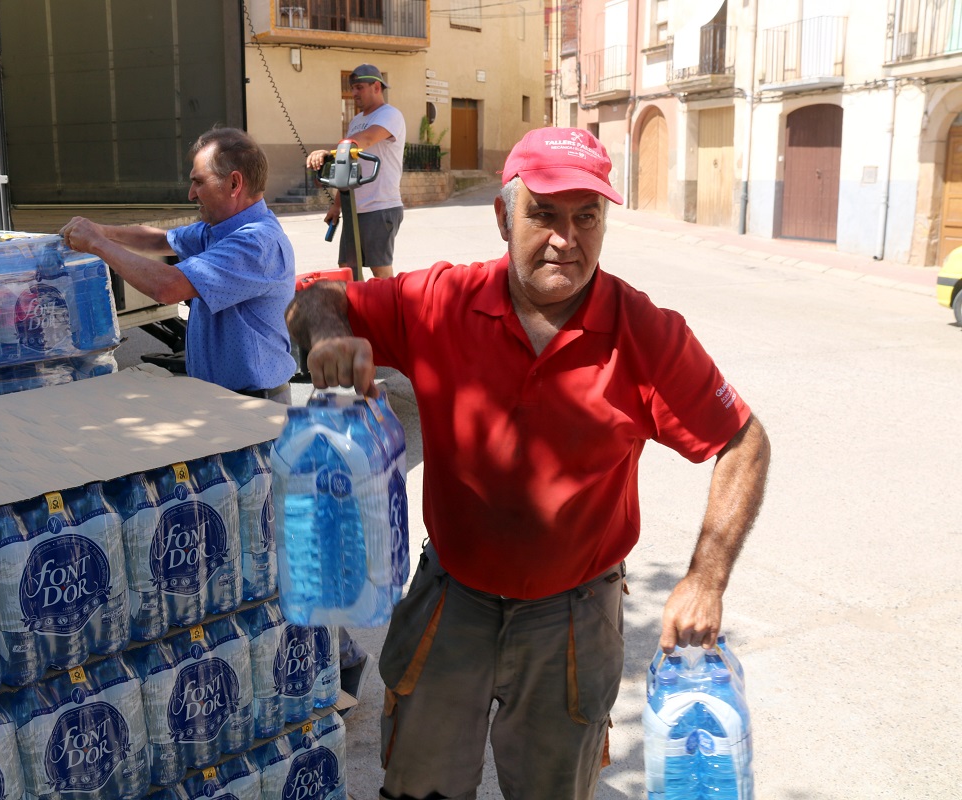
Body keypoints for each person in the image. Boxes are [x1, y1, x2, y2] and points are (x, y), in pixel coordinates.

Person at [286, 127, 771, 800]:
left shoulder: (645, 333)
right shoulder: (442, 301)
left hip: (573, 615)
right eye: (543, 214)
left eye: (587, 217)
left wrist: (706, 578)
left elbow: (744, 441)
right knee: (419, 787)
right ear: (503, 216)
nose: (566, 240)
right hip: (452, 594)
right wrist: (328, 337)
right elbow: (315, 298)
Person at [60, 127, 296, 402]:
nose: (191, 194)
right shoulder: (219, 230)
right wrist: (102, 231)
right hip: (224, 400)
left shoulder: (255, 244)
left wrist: (97, 244)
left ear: (234, 184)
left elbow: (168, 287)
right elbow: (160, 240)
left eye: (199, 182)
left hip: (254, 405)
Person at [306, 64, 406, 279]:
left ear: (376, 87)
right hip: (354, 207)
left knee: (380, 270)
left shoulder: (390, 115)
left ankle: (390, 303)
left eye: (359, 87)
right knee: (347, 267)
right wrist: (337, 205)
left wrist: (329, 152)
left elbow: (367, 139)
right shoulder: (356, 121)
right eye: (352, 88)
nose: (354, 93)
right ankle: (359, 302)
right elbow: (348, 166)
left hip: (380, 206)